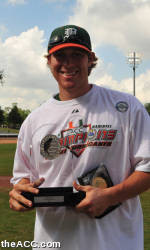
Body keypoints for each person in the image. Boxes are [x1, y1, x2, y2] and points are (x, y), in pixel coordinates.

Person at [9, 24, 150, 250]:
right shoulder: (34, 120)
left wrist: (110, 196)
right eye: (60, 55)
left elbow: (147, 167)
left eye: (77, 54)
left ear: (90, 59)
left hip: (115, 243)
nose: (68, 63)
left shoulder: (126, 107)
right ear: (49, 61)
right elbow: (22, 179)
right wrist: (20, 194)